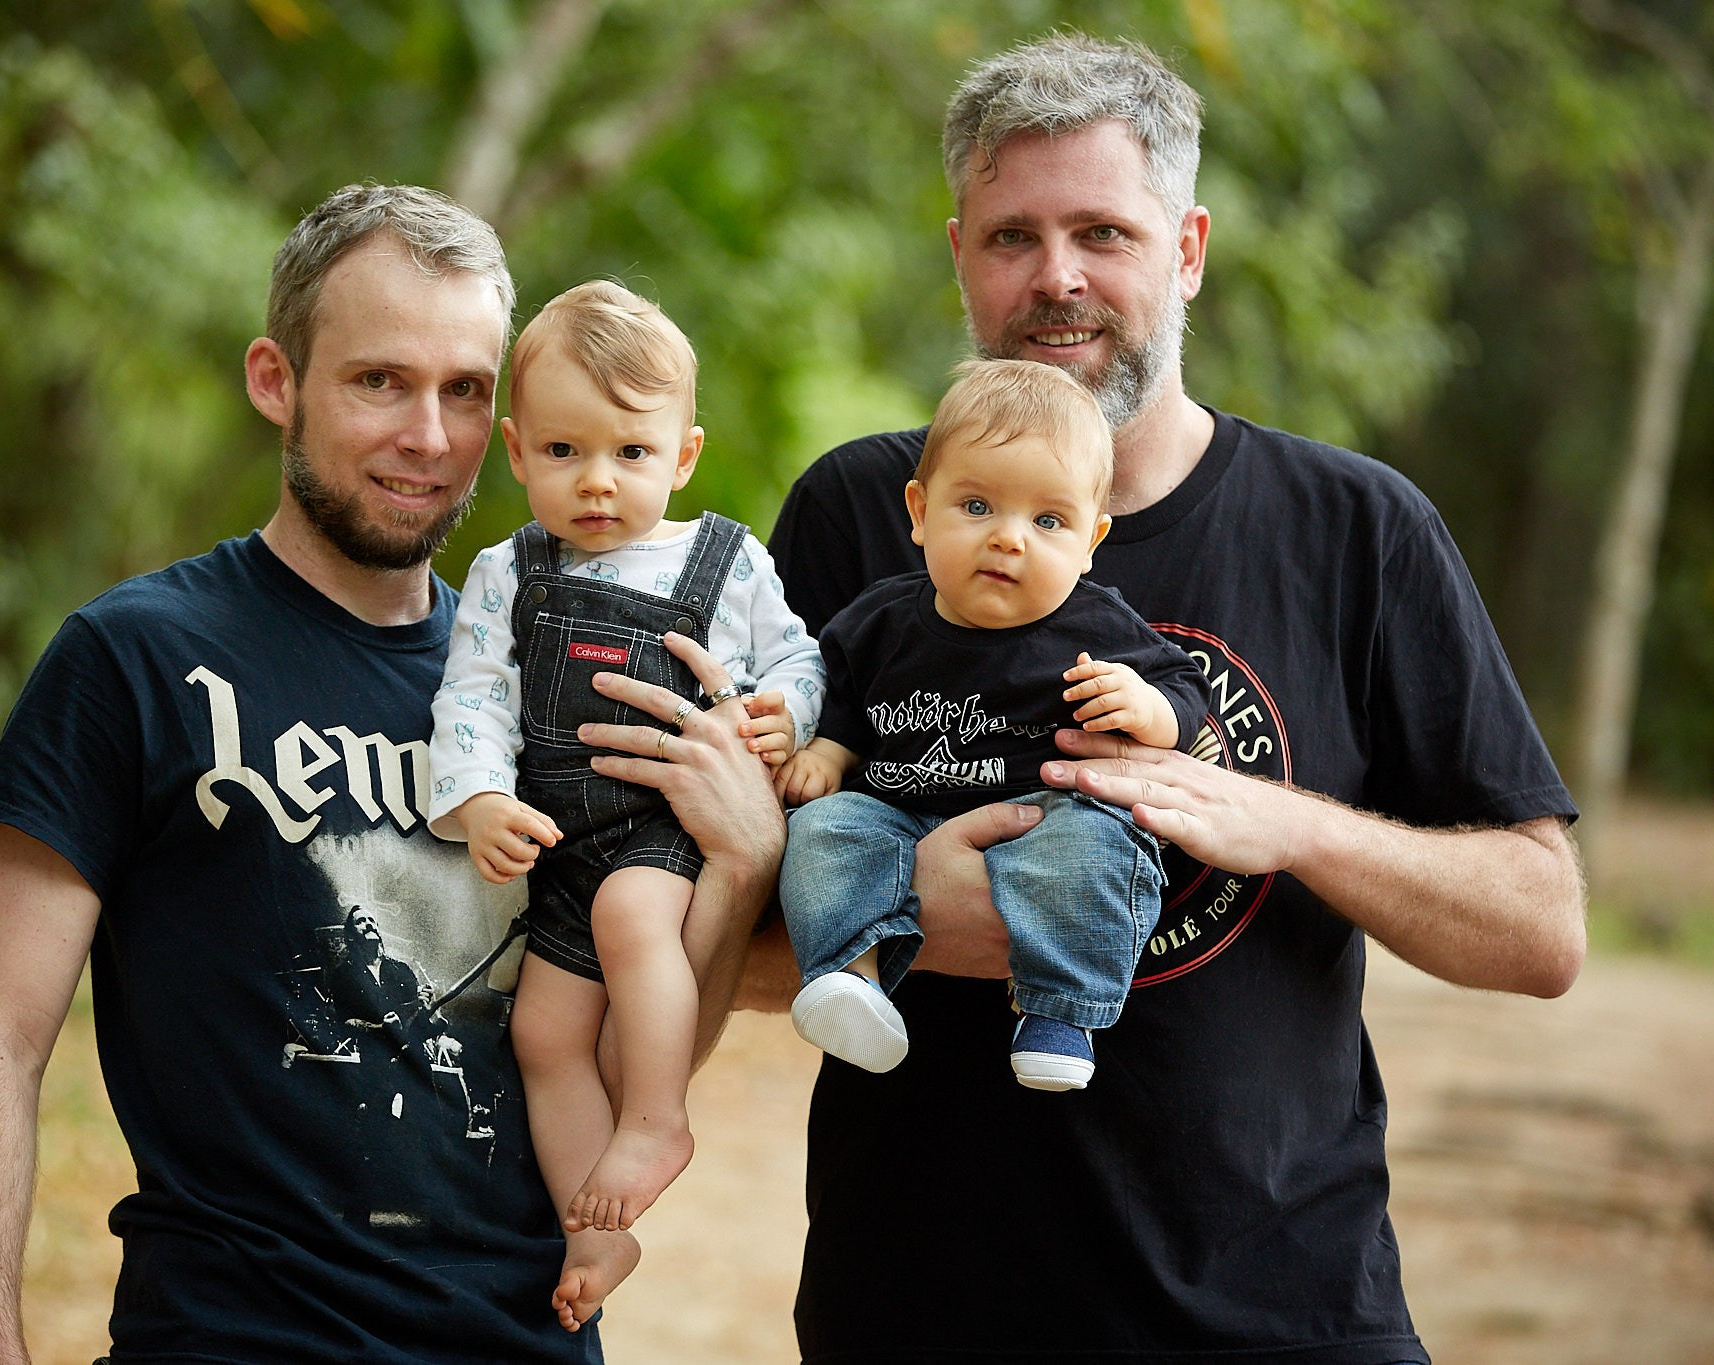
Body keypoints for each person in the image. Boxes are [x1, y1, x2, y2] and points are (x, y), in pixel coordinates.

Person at [757, 33, 1586, 1364]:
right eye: (1012, 236)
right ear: (958, 253)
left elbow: (1542, 932)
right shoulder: (863, 513)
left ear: (1187, 248)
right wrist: (908, 909)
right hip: (919, 1314)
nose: (1057, 278)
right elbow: (713, 908)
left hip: (1283, 1320)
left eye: (1104, 231)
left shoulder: (1357, 529)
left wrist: (1290, 824)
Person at [0, 183, 785, 1365]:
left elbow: (637, 1056)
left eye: (465, 391)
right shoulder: (136, 656)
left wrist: (738, 860)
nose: (428, 436)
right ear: (277, 380)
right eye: (379, 380)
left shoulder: (555, 677)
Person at [427, 279, 822, 1323]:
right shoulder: (507, 572)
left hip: (661, 835)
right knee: (544, 1037)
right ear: (517, 453)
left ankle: (654, 1118)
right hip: (557, 845)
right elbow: (472, 695)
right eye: (563, 454)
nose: (596, 482)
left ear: (682, 455)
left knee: (627, 916)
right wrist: (474, 802)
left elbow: (795, 656)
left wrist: (780, 711)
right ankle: (593, 1234)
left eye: (630, 454)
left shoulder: (725, 561)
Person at [777, 357, 1207, 1089]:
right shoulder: (882, 616)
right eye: (977, 507)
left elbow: (1183, 689)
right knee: (827, 828)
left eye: (1048, 520)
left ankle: (1058, 1010)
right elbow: (844, 686)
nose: (1009, 538)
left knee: (1097, 839)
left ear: (1090, 539)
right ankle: (852, 978)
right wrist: (829, 748)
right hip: (899, 813)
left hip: (1042, 812)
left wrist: (1149, 706)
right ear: (918, 511)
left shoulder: (1096, 623)